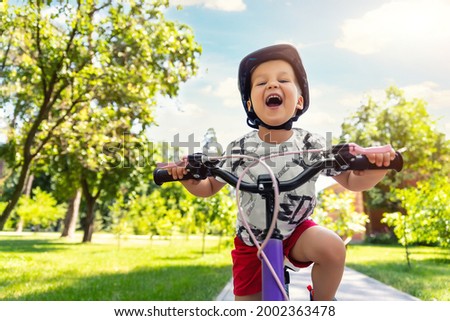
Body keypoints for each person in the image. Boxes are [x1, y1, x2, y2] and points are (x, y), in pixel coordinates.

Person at [167, 44, 395, 301]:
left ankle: (322, 303)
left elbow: (353, 182)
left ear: (299, 100)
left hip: (297, 232)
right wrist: (188, 178)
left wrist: (378, 166)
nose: (272, 85)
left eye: (283, 80)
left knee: (332, 248)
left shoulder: (312, 144)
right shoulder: (239, 148)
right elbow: (208, 187)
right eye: (261, 82)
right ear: (250, 104)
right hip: (251, 241)